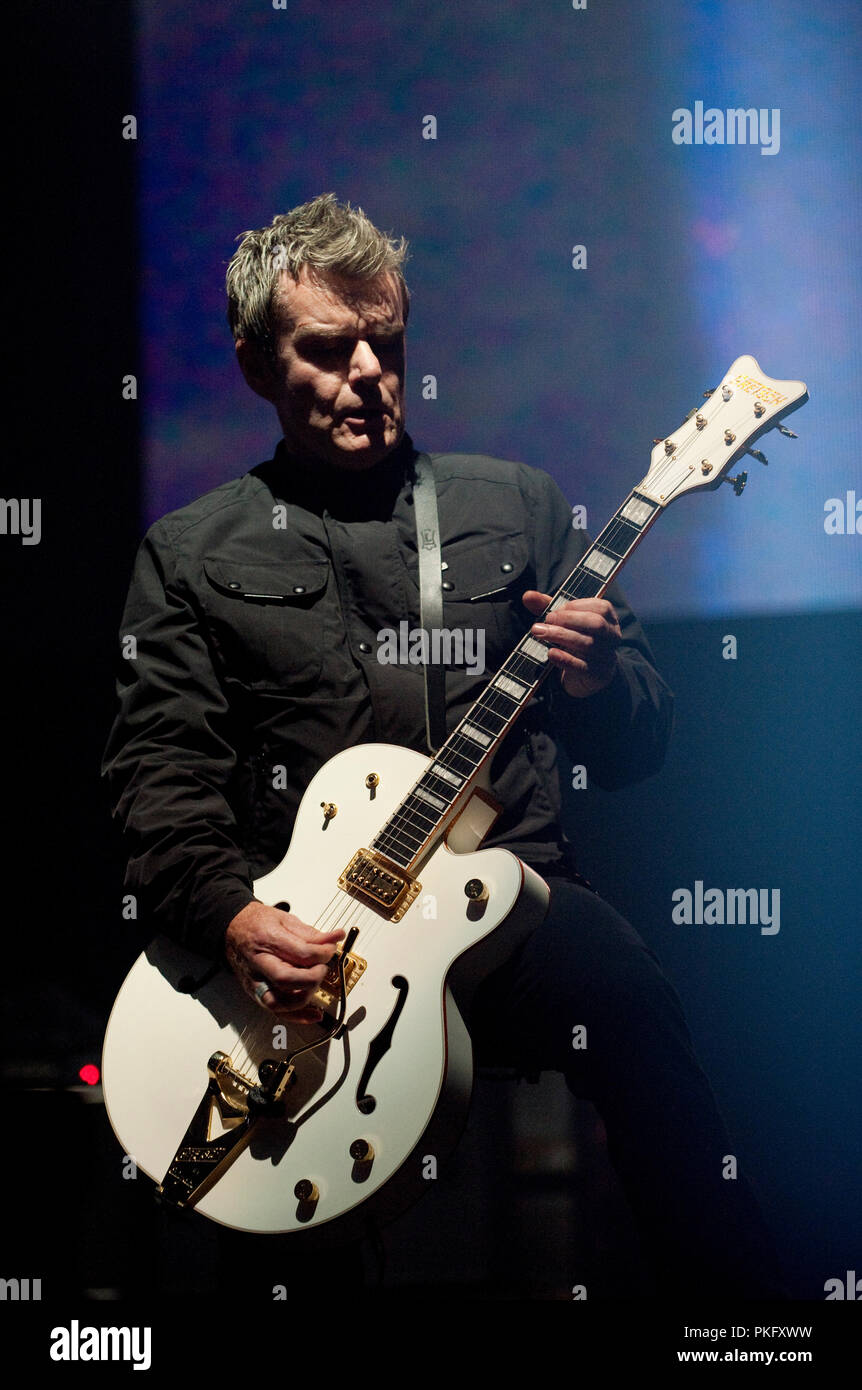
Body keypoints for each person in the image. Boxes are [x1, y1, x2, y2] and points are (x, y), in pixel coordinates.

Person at [103, 193, 783, 1300]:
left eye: (388, 339)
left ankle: (744, 1323)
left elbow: (636, 748)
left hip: (505, 905)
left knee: (638, 1009)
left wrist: (600, 681)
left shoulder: (514, 504)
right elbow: (156, 777)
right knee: (275, 1215)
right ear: (255, 367)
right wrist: (233, 918)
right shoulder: (189, 551)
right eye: (329, 348)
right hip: (308, 956)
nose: (370, 370)